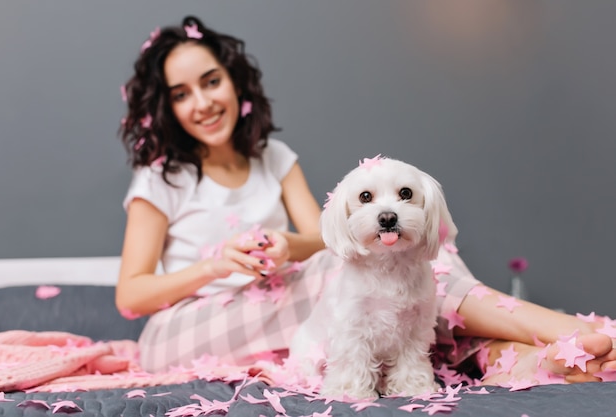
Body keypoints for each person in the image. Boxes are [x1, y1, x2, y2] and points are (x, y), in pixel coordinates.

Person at [116, 15, 616, 386]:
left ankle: (550, 360)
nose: (202, 103)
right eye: (181, 94)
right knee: (381, 269)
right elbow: (131, 297)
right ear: (166, 108)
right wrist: (216, 266)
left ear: (233, 81)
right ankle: (576, 329)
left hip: (278, 299)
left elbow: (323, 239)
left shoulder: (274, 157)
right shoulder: (161, 180)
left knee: (399, 283)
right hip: (184, 329)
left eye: (210, 82)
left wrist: (290, 246)